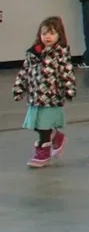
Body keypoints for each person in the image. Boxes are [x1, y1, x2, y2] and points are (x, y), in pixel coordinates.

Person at [12, 16, 76, 168]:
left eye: (52, 33)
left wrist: (69, 89)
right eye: (45, 33)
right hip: (35, 97)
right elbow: (24, 72)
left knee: (43, 128)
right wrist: (19, 88)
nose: (48, 36)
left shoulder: (60, 54)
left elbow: (67, 73)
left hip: (51, 98)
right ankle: (55, 136)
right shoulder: (33, 53)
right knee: (34, 124)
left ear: (59, 35)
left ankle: (43, 152)